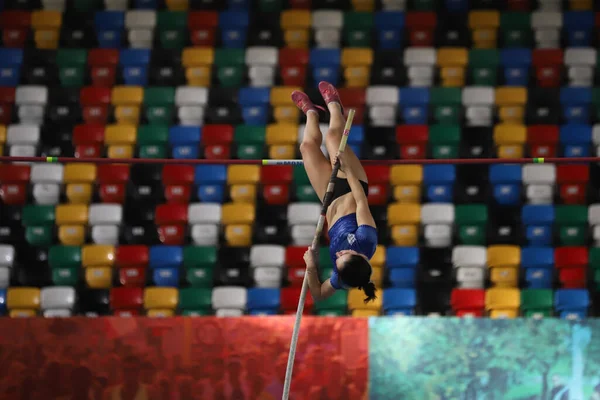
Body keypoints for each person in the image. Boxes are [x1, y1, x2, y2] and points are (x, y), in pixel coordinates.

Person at [292, 81, 378, 303]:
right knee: (332, 138)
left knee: (306, 148)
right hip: (351, 185)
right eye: (343, 255)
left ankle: (311, 112)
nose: (338, 254)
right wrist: (347, 170)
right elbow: (360, 202)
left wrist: (311, 267)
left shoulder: (345, 277)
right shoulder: (367, 241)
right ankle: (333, 106)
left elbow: (318, 294)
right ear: (358, 255)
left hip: (329, 199)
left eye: (336, 260)